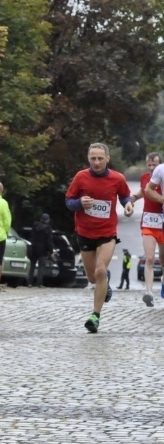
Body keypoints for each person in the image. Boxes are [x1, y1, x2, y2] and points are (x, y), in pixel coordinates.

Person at [66, 142, 133, 333]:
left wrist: (128, 205)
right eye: (93, 158)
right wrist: (79, 203)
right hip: (85, 232)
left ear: (107, 159)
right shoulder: (81, 177)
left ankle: (95, 316)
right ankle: (105, 284)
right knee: (93, 277)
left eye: (100, 158)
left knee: (101, 270)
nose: (97, 162)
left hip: (107, 233)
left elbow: (125, 196)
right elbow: (68, 202)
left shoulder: (117, 178)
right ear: (88, 159)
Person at [132, 152, 163, 305]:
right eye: (149, 165)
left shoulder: (162, 175)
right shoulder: (145, 177)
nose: (151, 168)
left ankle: (162, 282)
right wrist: (131, 199)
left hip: (162, 221)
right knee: (149, 258)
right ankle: (149, 293)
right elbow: (142, 192)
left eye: (154, 165)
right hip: (148, 222)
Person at [27, 213, 53, 287]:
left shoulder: (35, 226)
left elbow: (32, 236)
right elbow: (49, 241)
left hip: (34, 247)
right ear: (48, 220)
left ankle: (29, 282)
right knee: (41, 266)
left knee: (32, 265)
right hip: (43, 249)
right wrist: (50, 250)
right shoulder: (48, 228)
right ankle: (39, 283)